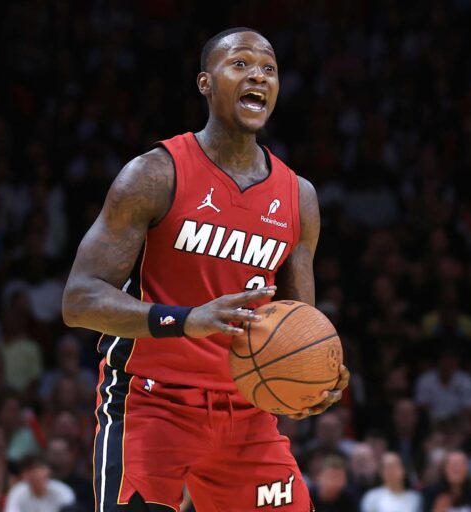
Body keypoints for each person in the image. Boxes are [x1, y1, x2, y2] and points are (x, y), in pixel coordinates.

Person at [62, 27, 349, 511]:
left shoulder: (298, 197)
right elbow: (79, 300)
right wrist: (186, 319)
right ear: (205, 83)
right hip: (152, 404)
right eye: (240, 64)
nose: (258, 75)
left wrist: (315, 375)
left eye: (269, 69)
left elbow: (299, 322)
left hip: (248, 410)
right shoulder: (154, 174)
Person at [3, 455, 74, 512]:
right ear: (23, 476)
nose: (36, 475)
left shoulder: (62, 491)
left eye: (38, 469)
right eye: (30, 471)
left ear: (48, 471)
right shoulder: (17, 492)